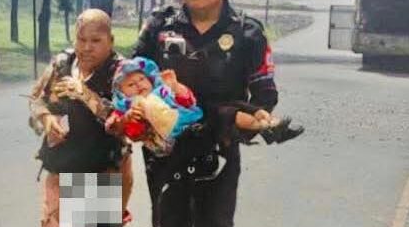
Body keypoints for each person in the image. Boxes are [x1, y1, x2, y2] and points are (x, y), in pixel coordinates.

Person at [134, 0, 297, 227]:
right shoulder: (158, 27)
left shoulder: (247, 34)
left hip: (217, 159)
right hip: (161, 159)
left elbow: (263, 100)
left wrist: (247, 120)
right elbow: (126, 84)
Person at [29, 9, 133, 227]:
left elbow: (126, 121)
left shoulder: (121, 72)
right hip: (60, 168)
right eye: (81, 39)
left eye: (96, 40)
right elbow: (35, 100)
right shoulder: (61, 64)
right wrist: (46, 119)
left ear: (110, 41)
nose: (87, 47)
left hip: (97, 170)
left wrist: (85, 94)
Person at [107, 56, 302, 155]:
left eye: (142, 79)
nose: (139, 85)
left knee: (234, 105)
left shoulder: (161, 91)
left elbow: (187, 100)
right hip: (181, 137)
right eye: (131, 85)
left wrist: (176, 87)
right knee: (228, 114)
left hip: (193, 120)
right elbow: (126, 130)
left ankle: (269, 123)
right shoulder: (127, 106)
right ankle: (264, 127)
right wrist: (128, 119)